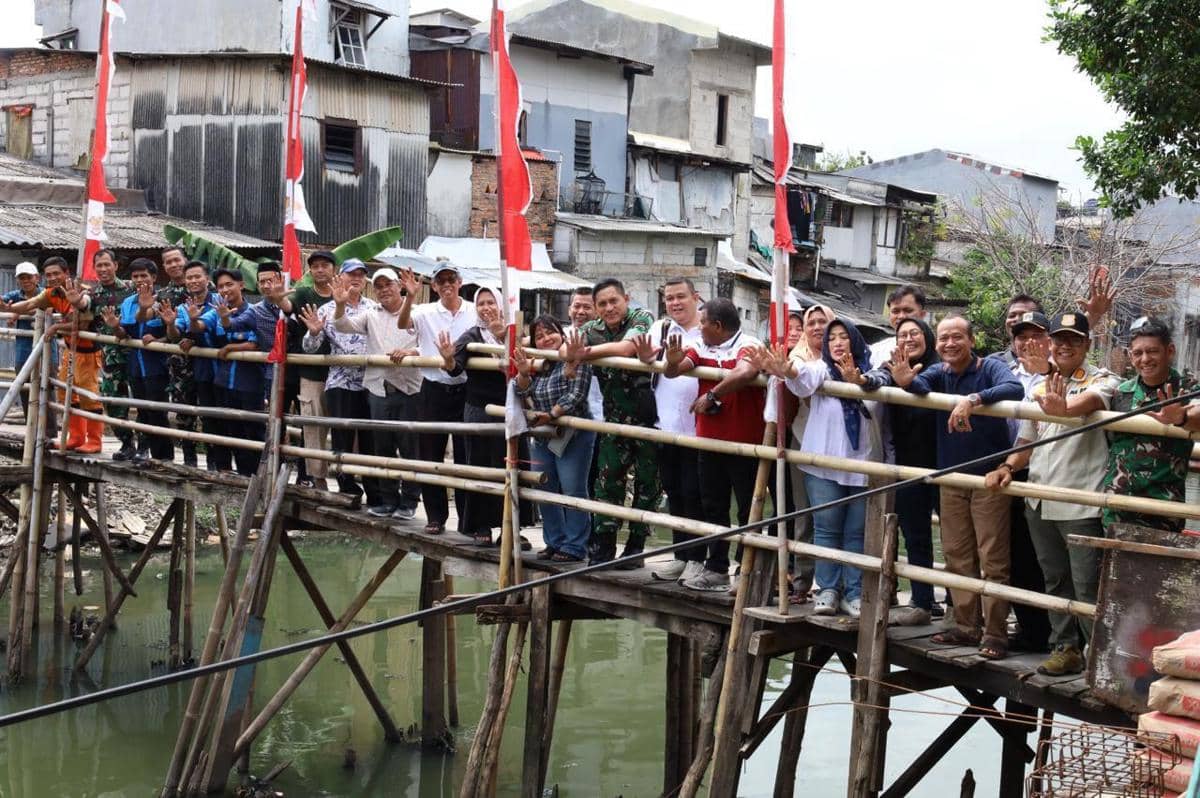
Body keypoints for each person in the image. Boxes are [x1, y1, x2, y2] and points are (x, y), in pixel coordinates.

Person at [984, 311, 1119, 675]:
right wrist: (1009, 467)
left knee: (1088, 583)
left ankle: (1096, 655)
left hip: (1080, 500)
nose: (1065, 347)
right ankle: (1065, 647)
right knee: (1054, 579)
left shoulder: (1103, 380)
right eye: (1060, 340)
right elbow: (1026, 438)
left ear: (1087, 345)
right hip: (1039, 497)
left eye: (1075, 340)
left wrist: (1064, 409)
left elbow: (1087, 404)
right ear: (1051, 344)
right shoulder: (1040, 387)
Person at [892, 316, 1024, 659]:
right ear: (937, 345)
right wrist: (907, 381)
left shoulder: (990, 367)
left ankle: (995, 632)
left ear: (971, 339)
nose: (950, 344)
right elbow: (921, 385)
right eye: (944, 339)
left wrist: (972, 399)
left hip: (988, 478)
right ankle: (966, 626)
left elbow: (1015, 389)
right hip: (951, 477)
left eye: (957, 337)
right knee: (956, 554)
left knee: (992, 558)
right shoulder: (940, 373)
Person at [754, 319, 885, 616]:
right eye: (832, 338)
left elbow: (881, 383)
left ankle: (853, 592)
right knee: (826, 528)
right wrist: (787, 369)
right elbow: (803, 378)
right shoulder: (821, 368)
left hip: (862, 463)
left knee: (855, 531)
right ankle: (827, 589)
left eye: (843, 337)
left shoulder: (873, 371)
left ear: (855, 341)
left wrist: (858, 380)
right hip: (823, 462)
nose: (838, 343)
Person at [661, 297, 765, 592]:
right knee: (712, 505)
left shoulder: (748, 343)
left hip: (744, 443)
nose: (700, 326)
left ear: (717, 326)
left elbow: (746, 372)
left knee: (748, 507)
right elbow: (674, 370)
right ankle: (716, 567)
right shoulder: (701, 345)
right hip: (708, 441)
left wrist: (713, 395)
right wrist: (671, 359)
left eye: (704, 322)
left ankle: (745, 572)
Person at [563, 278, 659, 567]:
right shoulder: (592, 329)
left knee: (647, 483)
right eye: (602, 304)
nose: (609, 308)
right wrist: (572, 357)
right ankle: (604, 546)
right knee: (608, 480)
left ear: (626, 299)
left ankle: (636, 547)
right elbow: (566, 352)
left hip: (647, 418)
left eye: (613, 301)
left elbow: (628, 348)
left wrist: (585, 355)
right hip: (613, 417)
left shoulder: (641, 318)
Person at [334, 267, 422, 519]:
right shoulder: (370, 314)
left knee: (409, 447)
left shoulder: (418, 313)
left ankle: (410, 501)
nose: (384, 290)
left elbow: (429, 343)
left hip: (409, 387)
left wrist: (411, 353)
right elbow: (343, 326)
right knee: (381, 447)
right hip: (378, 387)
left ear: (400, 286)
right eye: (379, 286)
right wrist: (339, 305)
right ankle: (388, 500)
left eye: (389, 285)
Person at [633, 277, 704, 583]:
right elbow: (645, 357)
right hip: (666, 426)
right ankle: (681, 555)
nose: (675, 303)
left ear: (695, 298)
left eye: (680, 297)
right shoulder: (661, 329)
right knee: (674, 492)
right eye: (669, 298)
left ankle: (700, 559)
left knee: (696, 494)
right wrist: (645, 357)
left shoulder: (708, 330)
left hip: (699, 430)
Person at [871, 318, 941, 625]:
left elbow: (926, 390)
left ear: (927, 337)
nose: (909, 338)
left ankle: (957, 604)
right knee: (915, 534)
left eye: (915, 333)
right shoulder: (889, 369)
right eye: (902, 335)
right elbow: (876, 380)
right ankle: (922, 601)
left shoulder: (941, 369)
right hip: (908, 463)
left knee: (955, 539)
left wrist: (909, 381)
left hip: (945, 462)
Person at [398, 262, 477, 536]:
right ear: (433, 286)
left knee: (467, 457)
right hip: (433, 389)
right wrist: (409, 296)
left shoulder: (475, 311)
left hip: (467, 389)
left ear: (460, 281)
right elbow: (403, 322)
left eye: (450, 280)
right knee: (430, 455)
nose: (446, 285)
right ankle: (436, 516)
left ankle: (470, 521)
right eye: (440, 281)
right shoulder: (425, 311)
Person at [1103, 317, 1200, 532]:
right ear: (1130, 356)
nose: (1145, 359)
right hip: (1117, 507)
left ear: (1170, 350)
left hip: (1163, 509)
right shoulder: (1121, 392)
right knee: (1110, 565)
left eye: (1153, 351)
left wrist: (1181, 417)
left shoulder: (1188, 388)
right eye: (1138, 353)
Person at [433, 285, 510, 544]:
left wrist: (503, 339)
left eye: (491, 302)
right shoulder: (472, 334)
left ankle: (511, 529)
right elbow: (456, 369)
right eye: (481, 303)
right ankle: (481, 527)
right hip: (478, 409)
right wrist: (448, 359)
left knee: (509, 465)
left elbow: (524, 360)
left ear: (501, 305)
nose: (486, 308)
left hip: (510, 409)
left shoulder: (513, 331)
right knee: (479, 465)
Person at [515, 315, 596, 562]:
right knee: (544, 485)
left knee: (572, 488)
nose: (545, 339)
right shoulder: (540, 363)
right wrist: (523, 373)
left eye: (550, 332)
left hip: (573, 433)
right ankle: (554, 541)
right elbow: (523, 391)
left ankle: (575, 546)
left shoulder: (574, 355)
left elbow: (576, 395)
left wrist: (551, 414)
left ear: (561, 333)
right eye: (539, 336)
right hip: (542, 434)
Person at [217, 262, 306, 480]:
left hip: (302, 372)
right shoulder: (256, 312)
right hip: (273, 375)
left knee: (307, 425)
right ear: (257, 285)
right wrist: (225, 317)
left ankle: (307, 477)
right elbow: (234, 326)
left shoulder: (297, 300)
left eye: (271, 280)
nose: (267, 285)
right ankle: (271, 474)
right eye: (262, 281)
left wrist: (284, 303)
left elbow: (301, 327)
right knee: (275, 424)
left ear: (280, 279)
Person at [299, 259, 377, 502]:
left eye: (360, 275)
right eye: (350, 274)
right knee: (342, 435)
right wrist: (313, 332)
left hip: (370, 381)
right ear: (339, 278)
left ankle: (375, 488)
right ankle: (346, 483)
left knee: (369, 437)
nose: (356, 278)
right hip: (341, 381)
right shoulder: (325, 310)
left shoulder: (374, 308)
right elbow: (309, 348)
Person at [2, 257, 96, 450]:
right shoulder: (51, 293)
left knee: (88, 396)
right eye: (49, 275)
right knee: (66, 394)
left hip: (89, 351)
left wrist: (55, 328)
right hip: (70, 350)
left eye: (56, 274)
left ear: (66, 273)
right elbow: (29, 304)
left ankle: (94, 441)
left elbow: (83, 323)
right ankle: (76, 438)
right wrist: (9, 308)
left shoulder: (81, 291)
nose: (52, 278)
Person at [102, 258, 173, 464]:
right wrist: (115, 326)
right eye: (135, 277)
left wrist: (158, 339)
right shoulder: (128, 302)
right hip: (135, 363)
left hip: (157, 365)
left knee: (157, 410)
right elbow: (126, 331)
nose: (140, 280)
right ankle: (143, 450)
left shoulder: (163, 300)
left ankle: (163, 456)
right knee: (141, 409)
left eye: (144, 276)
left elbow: (170, 330)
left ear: (154, 277)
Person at [164, 261, 225, 470]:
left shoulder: (219, 301)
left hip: (221, 366)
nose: (193, 281)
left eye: (197, 276)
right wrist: (171, 323)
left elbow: (204, 326)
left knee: (215, 416)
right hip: (198, 367)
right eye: (189, 278)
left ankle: (214, 462)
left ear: (207, 279)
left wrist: (193, 334)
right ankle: (189, 461)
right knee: (188, 413)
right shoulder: (183, 306)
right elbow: (176, 335)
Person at [211, 268, 264, 476]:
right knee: (232, 430)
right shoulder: (216, 312)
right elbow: (207, 331)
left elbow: (255, 344)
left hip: (249, 383)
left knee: (253, 431)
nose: (225, 290)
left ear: (241, 285)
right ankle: (242, 476)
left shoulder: (253, 311)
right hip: (224, 381)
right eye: (221, 286)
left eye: (229, 284)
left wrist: (230, 347)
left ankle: (257, 477)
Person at [291, 250, 337, 488]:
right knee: (313, 425)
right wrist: (278, 298)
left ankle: (349, 477)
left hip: (343, 374)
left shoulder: (345, 294)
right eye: (315, 266)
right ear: (310, 270)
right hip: (311, 372)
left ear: (333, 269)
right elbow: (286, 305)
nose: (320, 270)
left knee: (345, 426)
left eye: (325, 265)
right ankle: (318, 478)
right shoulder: (303, 293)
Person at [87, 249, 136, 461]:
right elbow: (81, 313)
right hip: (110, 358)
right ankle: (127, 443)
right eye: (99, 265)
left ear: (116, 265)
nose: (104, 269)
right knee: (111, 399)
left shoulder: (131, 288)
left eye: (107, 264)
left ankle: (145, 446)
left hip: (136, 355)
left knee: (145, 399)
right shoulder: (93, 295)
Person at [159, 246, 200, 467]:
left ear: (185, 260)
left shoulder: (205, 287)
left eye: (177, 260)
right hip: (177, 362)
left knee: (209, 410)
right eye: (168, 262)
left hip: (205, 359)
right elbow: (162, 330)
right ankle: (189, 457)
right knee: (183, 410)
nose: (174, 265)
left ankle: (215, 459)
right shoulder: (163, 295)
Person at [4, 262, 42, 419]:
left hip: (44, 349)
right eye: (22, 278)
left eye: (29, 277)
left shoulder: (45, 293)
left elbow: (41, 306)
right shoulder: (15, 295)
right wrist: (9, 308)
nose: (26, 281)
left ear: (37, 278)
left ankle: (48, 433)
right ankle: (30, 425)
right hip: (23, 350)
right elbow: (4, 303)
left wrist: (16, 311)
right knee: (24, 387)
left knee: (46, 388)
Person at [869, 284, 927, 367]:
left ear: (922, 315)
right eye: (895, 311)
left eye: (908, 311)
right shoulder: (877, 350)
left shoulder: (939, 349)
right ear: (889, 315)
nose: (901, 316)